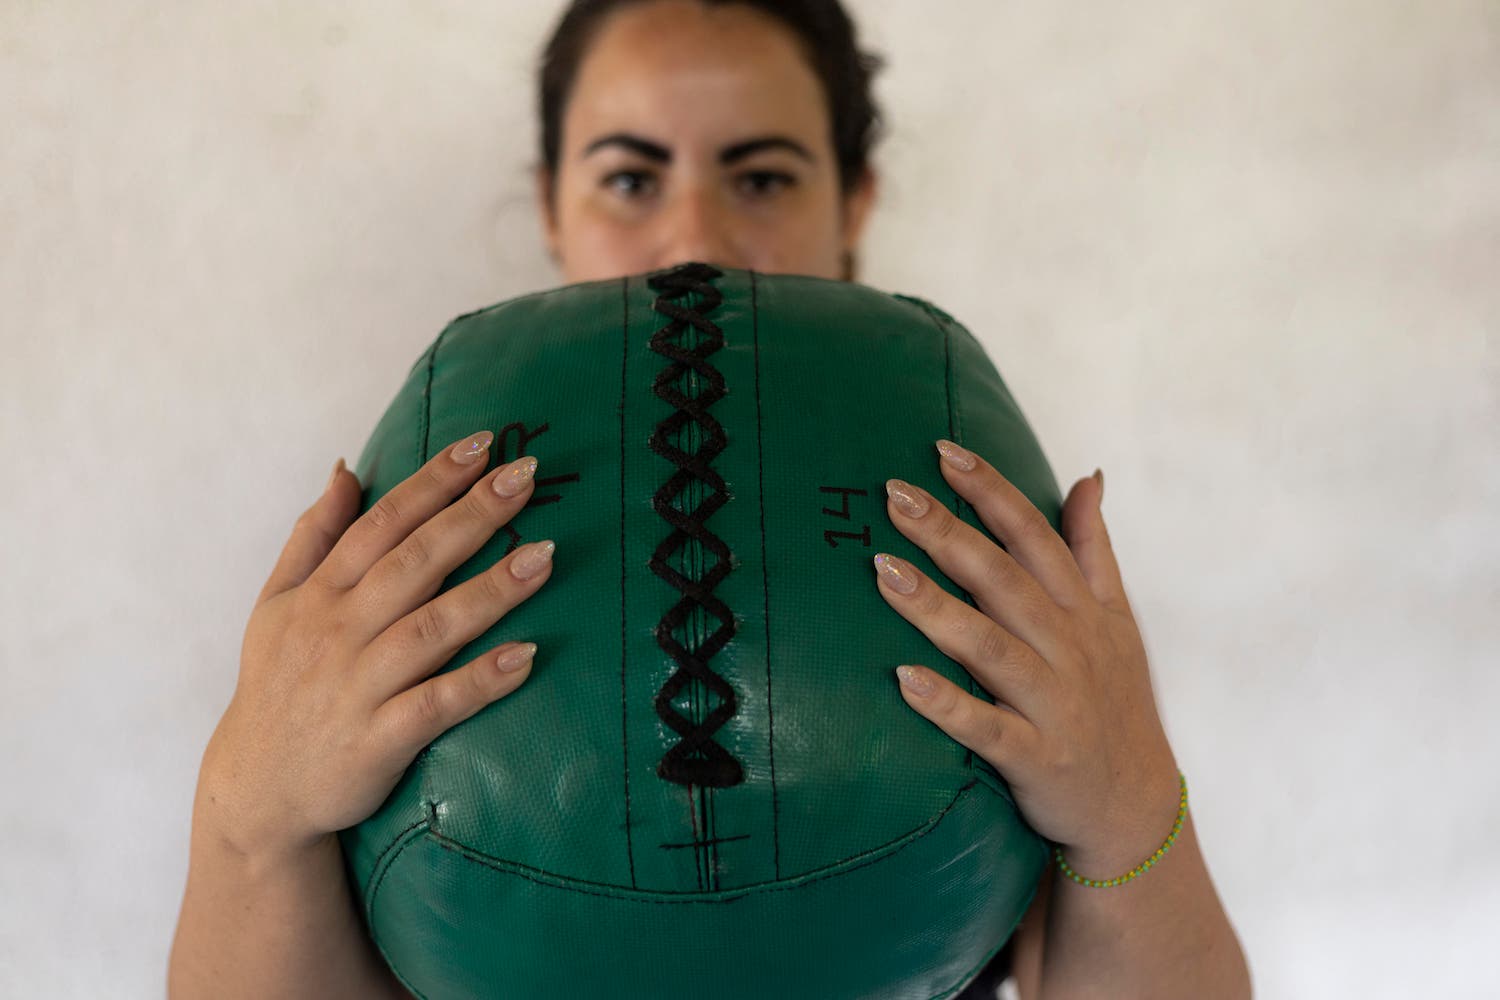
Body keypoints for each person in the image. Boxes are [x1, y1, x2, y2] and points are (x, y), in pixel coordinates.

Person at [168, 2, 1252, 997]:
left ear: (855, 196)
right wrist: (247, 816)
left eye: (763, 177)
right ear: (549, 200)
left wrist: (1129, 813)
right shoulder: (415, 531)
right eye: (631, 178)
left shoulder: (976, 524)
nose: (695, 237)